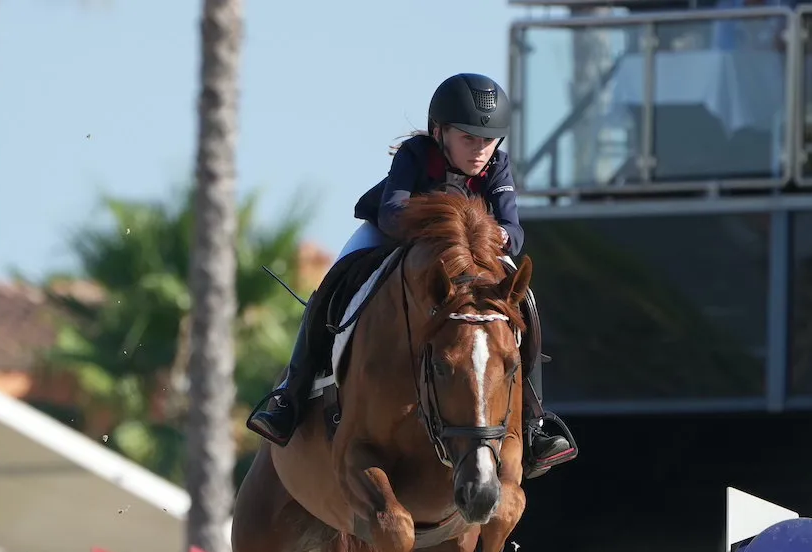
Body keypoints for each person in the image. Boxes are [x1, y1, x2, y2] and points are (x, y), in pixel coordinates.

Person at [245, 72, 577, 480]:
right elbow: (391, 212)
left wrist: (498, 235)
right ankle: (289, 397)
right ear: (439, 132)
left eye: (487, 141)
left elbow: (515, 230)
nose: (479, 151)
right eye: (468, 139)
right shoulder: (417, 155)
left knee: (524, 302)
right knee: (332, 283)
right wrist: (438, 232)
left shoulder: (498, 166)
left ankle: (534, 423)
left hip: (468, 252)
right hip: (396, 235)